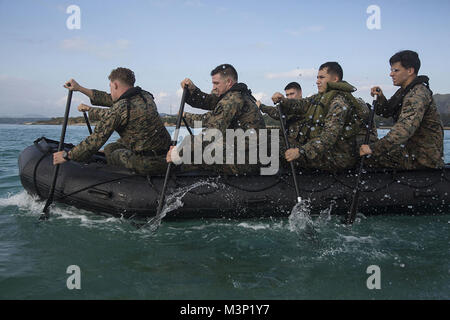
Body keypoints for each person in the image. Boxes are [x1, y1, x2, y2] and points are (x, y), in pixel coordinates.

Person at [53, 67, 171, 174]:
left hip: (147, 164)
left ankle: (120, 180)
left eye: (110, 86)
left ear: (115, 85)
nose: (110, 90)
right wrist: (79, 88)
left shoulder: (119, 109)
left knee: (111, 151)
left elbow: (96, 140)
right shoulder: (146, 96)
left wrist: (67, 155)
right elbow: (111, 99)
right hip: (167, 156)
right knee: (115, 145)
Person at [272, 62, 376, 171]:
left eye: (321, 77)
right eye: (317, 78)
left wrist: (300, 152)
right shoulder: (321, 97)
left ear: (335, 79)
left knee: (272, 141)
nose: (317, 81)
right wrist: (283, 100)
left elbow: (328, 137)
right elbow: (302, 104)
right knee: (272, 136)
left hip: (337, 157)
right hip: (326, 152)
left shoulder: (339, 103)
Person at [166, 63, 266, 174]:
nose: (213, 87)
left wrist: (178, 153)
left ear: (228, 82)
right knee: (192, 145)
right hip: (245, 151)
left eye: (216, 83)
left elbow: (211, 132)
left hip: (247, 159)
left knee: (197, 153)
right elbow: (208, 101)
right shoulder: (235, 94)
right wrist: (192, 91)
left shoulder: (232, 100)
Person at [360, 50, 444, 170]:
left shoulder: (418, 93)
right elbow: (386, 111)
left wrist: (373, 148)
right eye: (391, 70)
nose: (391, 74)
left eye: (396, 70)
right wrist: (380, 97)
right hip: (410, 151)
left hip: (423, 158)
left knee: (364, 158)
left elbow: (404, 129)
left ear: (410, 71)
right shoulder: (404, 91)